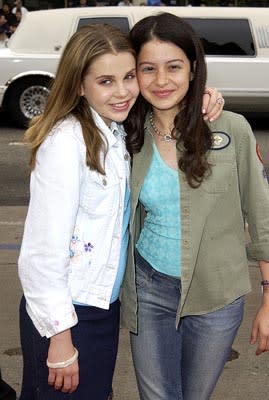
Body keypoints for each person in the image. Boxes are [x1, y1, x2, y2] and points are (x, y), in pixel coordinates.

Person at [18, 19, 222, 400]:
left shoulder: (116, 130)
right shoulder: (66, 144)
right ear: (79, 84)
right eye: (105, 81)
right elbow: (41, 252)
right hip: (67, 312)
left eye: (129, 76)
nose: (123, 91)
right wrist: (60, 337)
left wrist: (205, 94)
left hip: (102, 307)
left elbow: (167, 96)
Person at [120, 12, 269, 400]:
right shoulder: (125, 135)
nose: (162, 80)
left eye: (174, 67)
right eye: (147, 69)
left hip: (217, 294)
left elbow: (262, 215)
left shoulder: (231, 129)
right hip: (149, 287)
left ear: (193, 69)